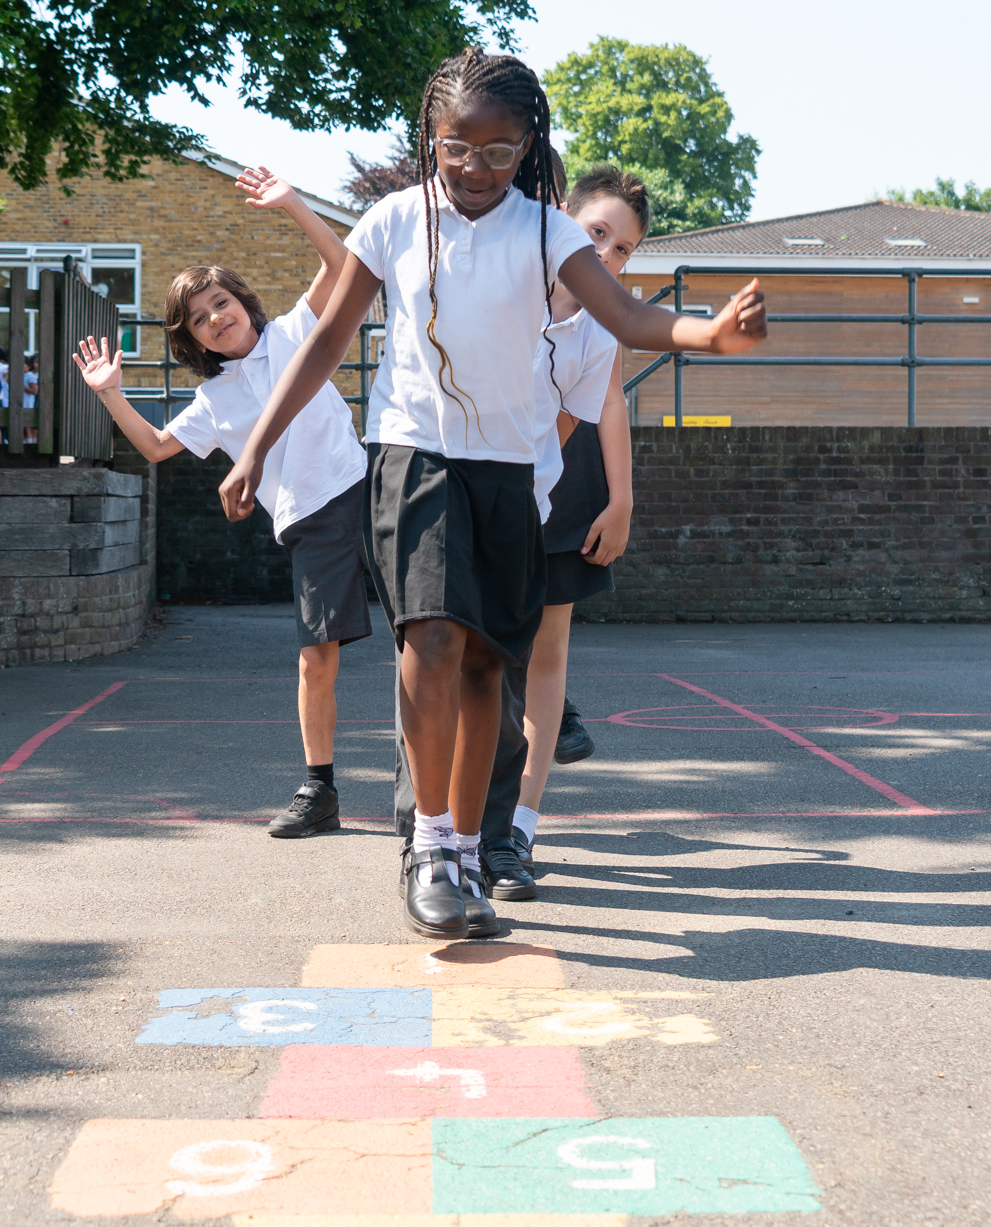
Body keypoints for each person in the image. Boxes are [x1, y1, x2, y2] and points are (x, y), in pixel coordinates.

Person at [217, 46, 767, 939]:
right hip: (413, 452)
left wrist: (710, 334)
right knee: (429, 638)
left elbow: (625, 317)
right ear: (430, 137)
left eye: (498, 150)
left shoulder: (548, 233)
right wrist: (254, 447)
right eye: (455, 147)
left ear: (528, 146)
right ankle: (430, 845)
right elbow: (323, 345)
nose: (474, 167)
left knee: (485, 665)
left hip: (508, 468)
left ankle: (469, 847)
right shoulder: (393, 222)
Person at [73, 164, 373, 839]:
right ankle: (319, 788)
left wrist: (293, 202)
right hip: (309, 517)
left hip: (366, 485)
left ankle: (447, 776)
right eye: (201, 319)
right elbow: (153, 446)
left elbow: (342, 263)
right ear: (191, 339)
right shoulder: (213, 399)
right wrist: (111, 392)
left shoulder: (297, 328)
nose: (215, 318)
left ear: (244, 299)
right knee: (314, 657)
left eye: (221, 303)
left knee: (430, 629)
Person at [491, 164, 650, 897]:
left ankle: (522, 822)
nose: (608, 258)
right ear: (562, 217)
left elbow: (605, 403)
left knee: (549, 654)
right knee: (488, 654)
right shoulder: (506, 282)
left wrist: (620, 500)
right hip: (495, 470)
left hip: (566, 470)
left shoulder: (608, 313)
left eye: (622, 250)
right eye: (598, 235)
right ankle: (467, 826)